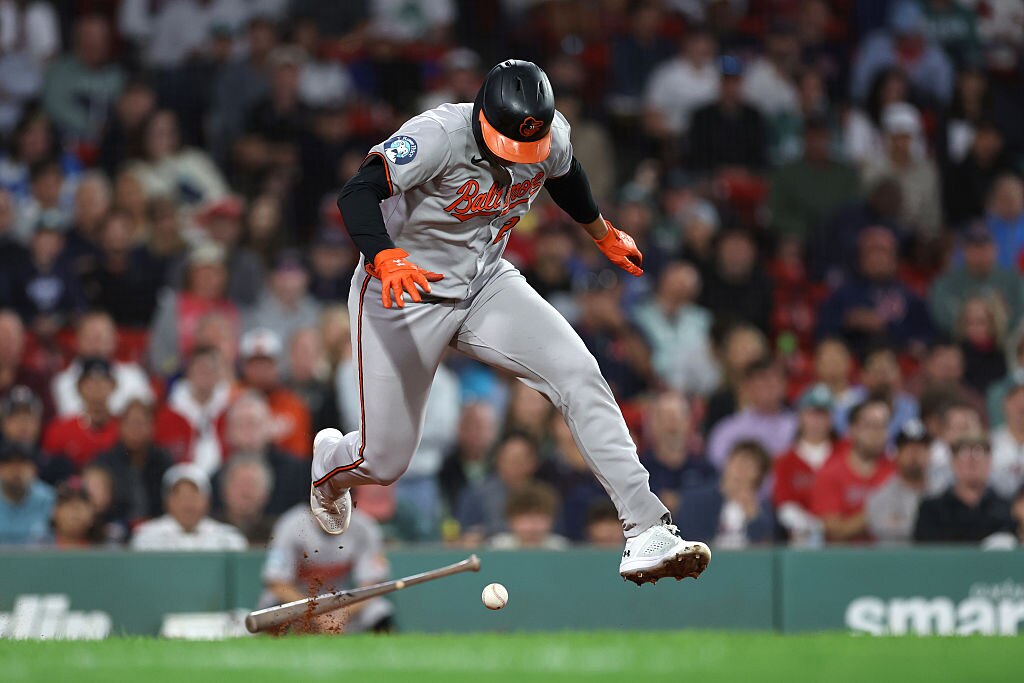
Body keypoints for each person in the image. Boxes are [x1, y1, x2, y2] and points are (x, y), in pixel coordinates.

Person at [314, 59, 709, 583]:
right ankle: (329, 467)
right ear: (482, 114)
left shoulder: (551, 134)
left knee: (579, 373)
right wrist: (384, 254)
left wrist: (601, 231)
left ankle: (646, 529)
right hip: (404, 291)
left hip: (485, 283)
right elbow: (357, 192)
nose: (520, 153)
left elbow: (566, 175)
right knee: (383, 462)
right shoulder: (437, 135)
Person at [260, 504, 393, 634]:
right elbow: (277, 584)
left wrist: (342, 613)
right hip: (299, 600)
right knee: (274, 608)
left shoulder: (363, 526)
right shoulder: (291, 524)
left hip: (341, 601)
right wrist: (314, 613)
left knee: (378, 610)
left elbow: (372, 587)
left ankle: (378, 648)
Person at [815, 227, 933, 356]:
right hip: (852, 358)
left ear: (895, 258)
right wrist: (849, 321)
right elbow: (821, 332)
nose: (877, 258)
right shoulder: (843, 294)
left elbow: (926, 336)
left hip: (895, 358)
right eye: (871, 252)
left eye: (883, 252)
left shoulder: (909, 297)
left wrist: (888, 327)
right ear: (860, 258)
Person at [811, 397, 896, 543]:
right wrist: (877, 511)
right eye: (870, 426)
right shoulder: (830, 473)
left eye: (883, 426)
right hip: (846, 554)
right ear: (852, 430)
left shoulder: (895, 472)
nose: (878, 433)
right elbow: (834, 531)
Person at [632, 261, 720, 396]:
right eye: (678, 280)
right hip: (651, 389)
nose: (682, 286)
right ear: (664, 279)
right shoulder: (640, 315)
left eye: (688, 282)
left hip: (699, 392)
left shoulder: (702, 319)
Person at [214, 392, 307, 516]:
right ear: (228, 433)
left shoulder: (297, 472)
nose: (247, 432)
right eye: (240, 425)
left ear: (269, 427)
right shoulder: (218, 478)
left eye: (253, 424)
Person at [51, 311, 154, 417]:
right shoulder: (63, 381)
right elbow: (72, 416)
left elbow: (143, 414)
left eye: (102, 336)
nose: (97, 343)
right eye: (90, 337)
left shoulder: (134, 375)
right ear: (77, 340)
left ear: (115, 339)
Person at [913, 434, 1014, 543]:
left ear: (989, 462)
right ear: (953, 462)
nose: (972, 462)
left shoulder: (1007, 509)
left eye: (979, 454)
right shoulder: (931, 510)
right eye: (963, 454)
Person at [928, 223, 1024, 336]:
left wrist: (996, 331)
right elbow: (943, 317)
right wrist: (974, 331)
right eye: (974, 248)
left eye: (985, 248)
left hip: (1006, 340)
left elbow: (1020, 314)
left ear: (995, 249)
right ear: (964, 251)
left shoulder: (1013, 279)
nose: (980, 255)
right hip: (959, 341)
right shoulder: (946, 282)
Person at [677, 441, 776, 549]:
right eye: (740, 463)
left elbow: (766, 547)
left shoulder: (762, 509)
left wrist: (754, 517)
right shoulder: (695, 499)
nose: (743, 471)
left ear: (758, 477)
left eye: (751, 467)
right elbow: (690, 536)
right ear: (727, 462)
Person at [93, 399, 174, 527]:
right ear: (120, 427)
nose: (135, 430)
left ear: (152, 427)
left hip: (158, 529)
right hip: (114, 528)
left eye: (140, 424)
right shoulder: (105, 462)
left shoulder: (164, 461)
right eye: (130, 423)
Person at [773, 384, 836, 545]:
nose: (817, 421)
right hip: (800, 539)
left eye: (823, 415)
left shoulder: (844, 453)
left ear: (831, 419)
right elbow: (783, 505)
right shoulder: (785, 461)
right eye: (811, 414)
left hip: (841, 538)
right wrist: (813, 525)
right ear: (800, 416)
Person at [707, 357, 798, 468]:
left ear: (785, 385)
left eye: (776, 378)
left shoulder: (798, 425)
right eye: (763, 379)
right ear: (748, 386)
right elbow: (720, 470)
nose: (770, 385)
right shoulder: (727, 431)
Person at [131, 463, 247, 551]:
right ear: (167, 501)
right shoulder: (146, 538)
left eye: (194, 495)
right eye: (180, 495)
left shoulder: (228, 539)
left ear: (207, 500)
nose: (188, 503)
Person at [237, 328, 311, 459]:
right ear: (244, 367)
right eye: (255, 363)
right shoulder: (233, 400)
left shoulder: (293, 405)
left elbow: (300, 454)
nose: (261, 370)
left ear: (277, 366)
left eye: (267, 363)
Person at [641, 391, 717, 515]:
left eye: (678, 417)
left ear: (689, 423)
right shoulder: (639, 470)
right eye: (665, 418)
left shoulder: (706, 471)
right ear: (653, 424)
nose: (672, 425)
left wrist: (684, 501)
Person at [42, 357, 120, 469]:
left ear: (113, 386)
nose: (97, 388)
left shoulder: (123, 428)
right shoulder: (60, 430)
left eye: (103, 382)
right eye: (90, 383)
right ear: (79, 387)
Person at [865, 419, 932, 544]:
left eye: (920, 448)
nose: (914, 455)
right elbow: (884, 532)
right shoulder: (880, 495)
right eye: (908, 448)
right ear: (897, 454)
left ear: (929, 453)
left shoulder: (941, 491)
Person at [0, 441, 55, 545]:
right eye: (9, 463)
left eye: (22, 463)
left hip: (38, 555)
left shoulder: (49, 498)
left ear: (34, 469)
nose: (16, 470)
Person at [216, 454, 275, 547]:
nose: (245, 492)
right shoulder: (209, 531)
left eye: (252, 485)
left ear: (266, 493)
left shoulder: (277, 533)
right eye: (239, 484)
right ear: (224, 490)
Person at [489, 482, 570, 550]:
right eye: (524, 520)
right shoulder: (496, 548)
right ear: (510, 520)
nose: (532, 528)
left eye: (539, 519)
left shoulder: (562, 548)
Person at [988, 374, 1024, 499]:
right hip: (997, 504)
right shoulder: (990, 441)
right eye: (1017, 404)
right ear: (1005, 405)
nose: (1021, 409)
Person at [50, 480, 99, 548]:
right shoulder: (38, 547)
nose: (75, 508)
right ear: (54, 512)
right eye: (68, 502)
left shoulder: (107, 549)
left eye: (82, 503)